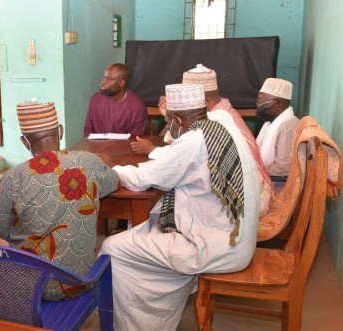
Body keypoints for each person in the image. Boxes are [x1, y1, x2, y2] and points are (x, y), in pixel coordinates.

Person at [100, 84, 260, 331]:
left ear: (176, 119)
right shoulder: (217, 126)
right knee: (151, 226)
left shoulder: (193, 141)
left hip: (215, 247)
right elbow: (173, 165)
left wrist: (111, 168)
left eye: (169, 122)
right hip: (233, 239)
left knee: (113, 248)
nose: (169, 129)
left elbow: (145, 179)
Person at [0, 101, 120, 301]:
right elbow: (114, 181)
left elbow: (2, 230)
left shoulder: (11, 179)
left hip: (31, 286)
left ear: (25, 142)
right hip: (80, 282)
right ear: (60, 131)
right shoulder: (87, 162)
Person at [133, 64, 274, 215]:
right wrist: (171, 117)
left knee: (166, 196)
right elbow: (187, 145)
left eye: (187, 100)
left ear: (204, 102)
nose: (184, 106)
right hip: (251, 193)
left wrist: (154, 149)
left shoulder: (216, 120)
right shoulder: (223, 112)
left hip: (246, 203)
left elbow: (185, 153)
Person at [256, 77, 300, 192]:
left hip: (278, 188)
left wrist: (254, 173)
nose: (259, 107)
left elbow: (283, 168)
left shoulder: (287, 127)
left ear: (278, 104)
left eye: (263, 104)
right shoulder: (270, 123)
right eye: (258, 102)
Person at [83, 63, 148, 137]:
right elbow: (88, 130)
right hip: (97, 147)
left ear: (121, 83)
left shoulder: (137, 107)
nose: (103, 82)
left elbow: (136, 140)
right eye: (104, 78)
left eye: (108, 79)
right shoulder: (95, 99)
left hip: (123, 148)